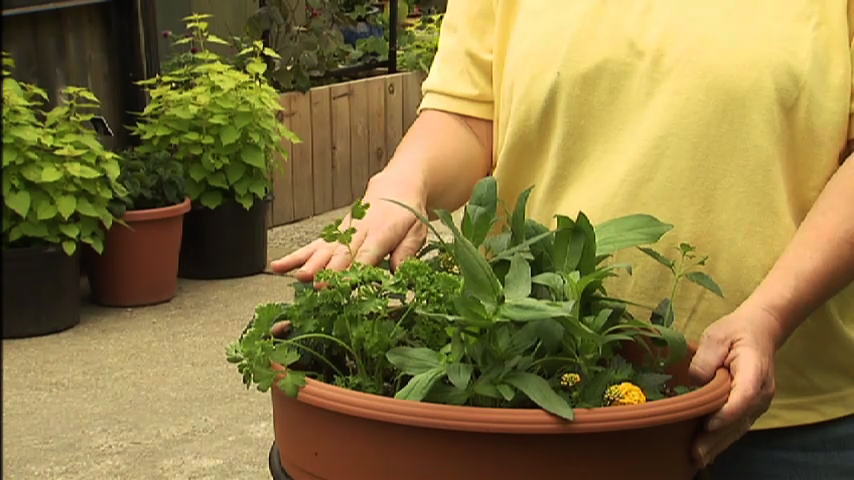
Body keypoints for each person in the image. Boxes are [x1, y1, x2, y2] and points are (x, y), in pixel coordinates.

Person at [273, 1, 854, 478]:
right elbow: (471, 114)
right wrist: (403, 182)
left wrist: (772, 314)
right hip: (547, 402)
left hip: (787, 430)